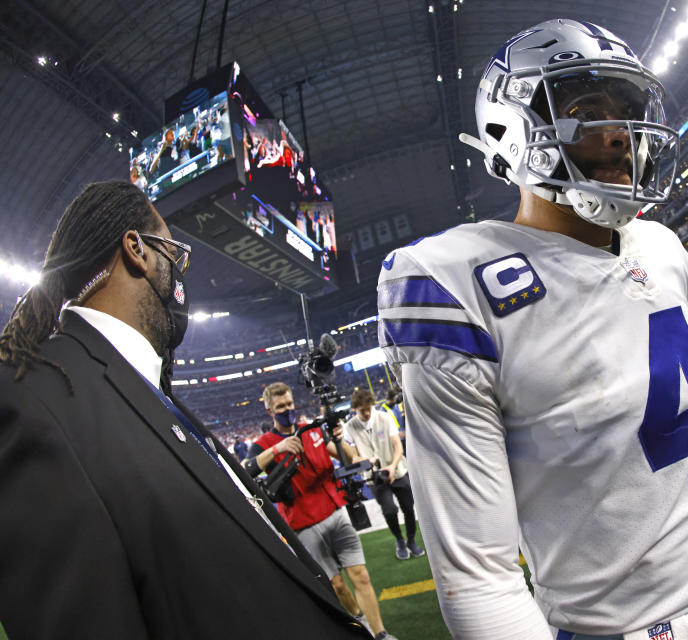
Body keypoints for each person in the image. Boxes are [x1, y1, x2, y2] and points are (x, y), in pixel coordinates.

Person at [378, 19, 688, 639]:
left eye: (627, 111)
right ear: (512, 131)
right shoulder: (454, 285)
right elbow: (479, 576)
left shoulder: (659, 244)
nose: (622, 134)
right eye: (588, 109)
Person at [0, 181, 369, 639]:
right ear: (137, 249)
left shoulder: (146, 388)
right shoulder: (32, 398)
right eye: (176, 253)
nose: (181, 273)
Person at [244, 382, 396, 640]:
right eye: (280, 406)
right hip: (303, 523)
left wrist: (356, 453)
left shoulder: (312, 432)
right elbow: (246, 470)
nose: (287, 410)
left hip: (335, 512)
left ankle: (380, 633)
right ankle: (360, 622)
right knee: (336, 586)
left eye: (289, 404)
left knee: (360, 574)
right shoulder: (264, 444)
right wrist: (277, 449)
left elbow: (347, 456)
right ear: (270, 410)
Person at [342, 389, 425, 560]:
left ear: (372, 405)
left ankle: (411, 540)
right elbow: (352, 456)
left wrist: (393, 467)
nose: (365, 413)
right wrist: (366, 460)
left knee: (409, 508)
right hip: (374, 477)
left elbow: (398, 445)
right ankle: (399, 540)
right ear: (354, 410)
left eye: (367, 409)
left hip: (398, 471)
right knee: (389, 510)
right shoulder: (350, 426)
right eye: (360, 410)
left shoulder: (384, 418)